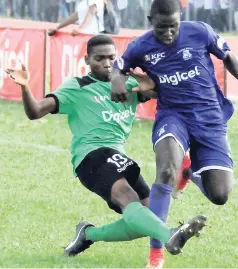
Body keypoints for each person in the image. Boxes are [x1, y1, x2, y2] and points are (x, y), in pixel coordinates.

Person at [5, 34, 207, 262]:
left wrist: (146, 77)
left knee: (149, 216)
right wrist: (24, 87)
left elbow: (161, 88)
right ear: (87, 60)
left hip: (117, 157)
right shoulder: (78, 86)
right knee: (128, 199)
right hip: (90, 156)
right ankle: (170, 235)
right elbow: (36, 111)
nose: (107, 63)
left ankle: (89, 234)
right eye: (99, 58)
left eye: (111, 57)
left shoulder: (127, 83)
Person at [111, 0, 238, 267]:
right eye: (161, 28)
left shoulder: (200, 31)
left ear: (181, 19)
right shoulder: (140, 46)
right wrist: (118, 81)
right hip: (173, 116)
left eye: (173, 27)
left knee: (220, 195)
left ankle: (190, 172)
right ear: (150, 20)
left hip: (210, 119)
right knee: (166, 170)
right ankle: (156, 254)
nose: (168, 33)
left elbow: (229, 57)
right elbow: (118, 67)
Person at [48, 0, 119, 36]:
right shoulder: (85, 3)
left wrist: (80, 29)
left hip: (103, 37)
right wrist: (58, 27)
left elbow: (91, 12)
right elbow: (75, 16)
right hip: (95, 38)